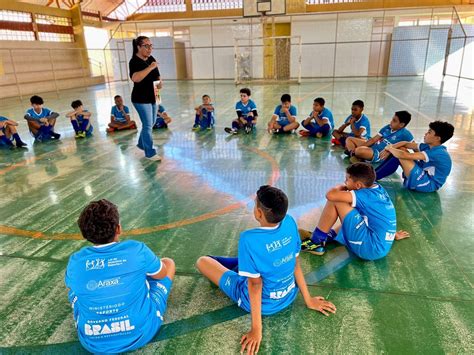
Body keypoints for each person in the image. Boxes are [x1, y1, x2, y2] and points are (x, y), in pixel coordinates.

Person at [196, 186, 336, 354]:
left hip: (264, 304)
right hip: (289, 295)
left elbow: (255, 286)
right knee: (253, 264)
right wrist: (308, 299)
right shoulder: (290, 222)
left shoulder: (249, 239)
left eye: (255, 205)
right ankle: (244, 268)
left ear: (260, 213)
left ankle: (240, 269)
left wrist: (257, 330)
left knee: (203, 261)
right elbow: (295, 262)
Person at [65, 199, 175, 353]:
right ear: (118, 228)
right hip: (139, 332)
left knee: (74, 290)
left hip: (92, 341)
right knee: (167, 263)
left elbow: (71, 286)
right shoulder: (136, 249)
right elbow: (161, 274)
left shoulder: (76, 261)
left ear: (85, 234)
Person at [299, 163, 397, 260]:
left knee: (337, 200)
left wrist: (341, 187)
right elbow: (383, 218)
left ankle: (317, 241)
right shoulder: (378, 189)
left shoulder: (364, 195)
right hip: (381, 247)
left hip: (368, 248)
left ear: (358, 185)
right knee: (352, 210)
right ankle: (328, 236)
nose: (345, 182)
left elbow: (330, 195)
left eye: (347, 180)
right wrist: (392, 234)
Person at [375, 121, 454, 192]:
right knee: (401, 149)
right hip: (423, 175)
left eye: (429, 132)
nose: (425, 134)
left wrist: (389, 148)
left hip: (428, 184)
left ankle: (373, 177)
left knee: (401, 155)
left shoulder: (438, 153)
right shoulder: (428, 146)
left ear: (437, 138)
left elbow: (405, 155)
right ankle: (374, 173)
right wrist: (390, 148)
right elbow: (405, 143)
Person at [129, 36, 162, 161]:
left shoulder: (151, 58)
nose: (149, 49)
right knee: (148, 125)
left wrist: (160, 84)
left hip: (155, 95)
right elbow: (135, 78)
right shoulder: (134, 62)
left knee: (152, 123)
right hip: (141, 99)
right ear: (138, 47)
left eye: (151, 46)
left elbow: (157, 75)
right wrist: (150, 67)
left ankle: (141, 144)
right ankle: (150, 153)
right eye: (146, 46)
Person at [345, 111, 413, 164]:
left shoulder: (406, 134)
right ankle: (356, 155)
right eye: (392, 119)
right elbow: (373, 140)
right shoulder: (388, 127)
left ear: (401, 124)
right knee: (349, 139)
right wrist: (359, 147)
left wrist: (420, 159)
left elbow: (414, 146)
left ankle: (355, 154)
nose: (391, 122)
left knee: (360, 150)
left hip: (377, 153)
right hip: (373, 146)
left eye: (394, 121)